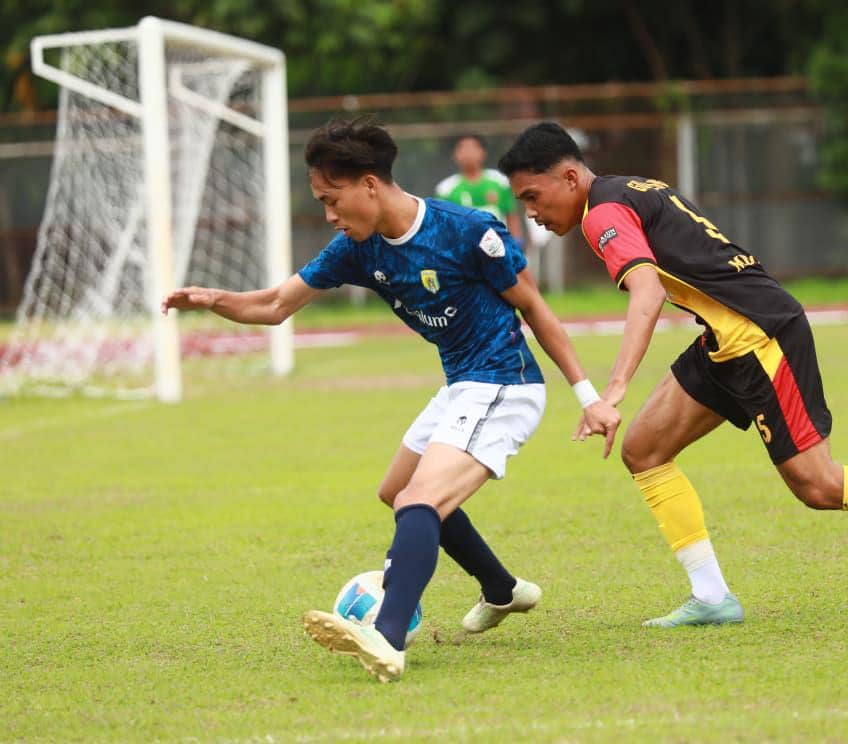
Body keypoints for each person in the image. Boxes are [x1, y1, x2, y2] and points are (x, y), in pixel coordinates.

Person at [497, 122, 848, 628]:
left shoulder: (601, 213)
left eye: (533, 197)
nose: (533, 212)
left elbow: (649, 292)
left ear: (569, 178)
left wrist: (613, 390)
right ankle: (711, 596)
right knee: (645, 450)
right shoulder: (623, 191)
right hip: (725, 336)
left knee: (818, 485)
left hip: (760, 335)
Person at [161, 117, 621, 682]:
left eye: (333, 200)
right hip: (461, 384)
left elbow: (536, 309)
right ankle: (502, 590)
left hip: (505, 383)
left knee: (418, 502)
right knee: (397, 492)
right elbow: (277, 304)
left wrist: (588, 395)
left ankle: (387, 637)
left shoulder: (465, 229)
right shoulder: (354, 249)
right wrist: (214, 299)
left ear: (370, 185)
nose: (328, 214)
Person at [436, 134, 523, 242]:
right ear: (455, 154)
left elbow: (511, 215)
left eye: (472, 148)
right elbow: (443, 226)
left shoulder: (500, 182)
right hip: (463, 250)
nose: (468, 153)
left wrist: (517, 243)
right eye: (462, 148)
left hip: (499, 246)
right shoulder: (445, 189)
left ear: (483, 153)